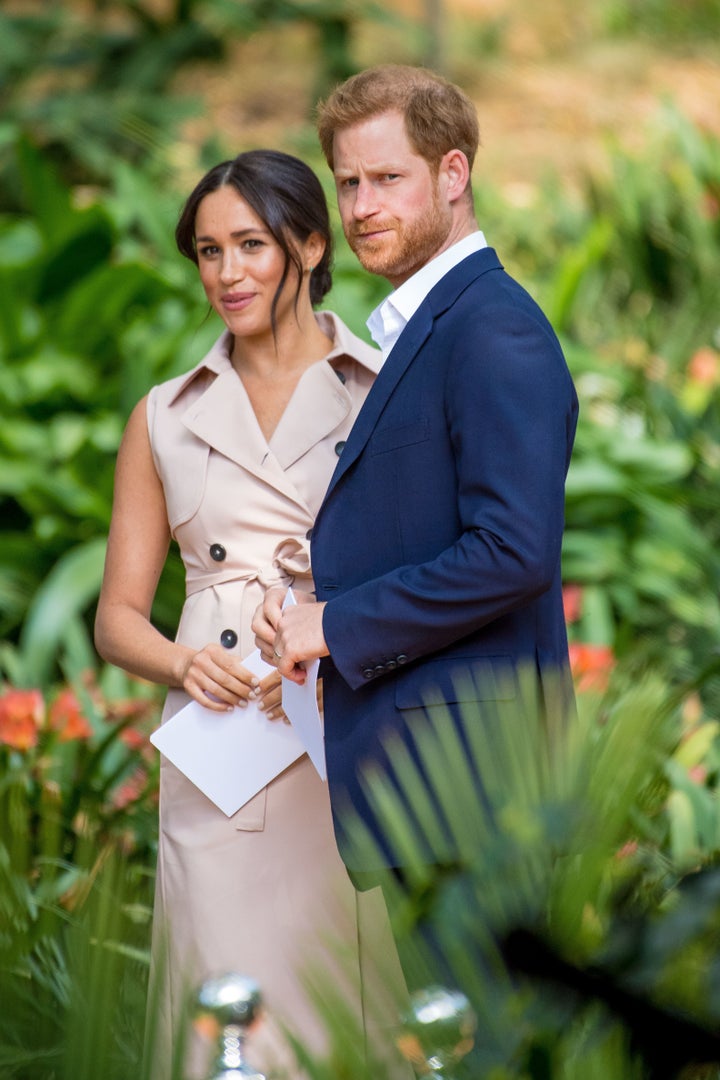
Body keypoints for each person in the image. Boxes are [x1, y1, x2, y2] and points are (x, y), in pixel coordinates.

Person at [253, 64, 579, 990]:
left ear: (452, 173)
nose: (359, 205)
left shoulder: (492, 330)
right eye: (347, 182)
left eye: (386, 178)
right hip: (431, 786)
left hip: (476, 792)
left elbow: (514, 551)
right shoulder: (425, 326)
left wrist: (337, 625)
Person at [94, 149, 406, 1080]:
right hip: (219, 752)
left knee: (338, 1008)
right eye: (206, 251)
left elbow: (428, 579)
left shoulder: (383, 391)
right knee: (222, 1015)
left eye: (250, 245)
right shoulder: (163, 416)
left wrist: (339, 639)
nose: (225, 273)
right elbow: (117, 619)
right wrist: (183, 666)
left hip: (332, 742)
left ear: (310, 246)